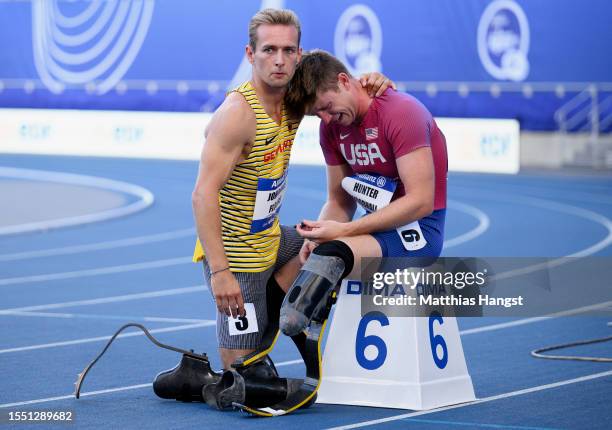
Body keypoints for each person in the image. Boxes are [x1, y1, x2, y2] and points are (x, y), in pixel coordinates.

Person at [152, 10, 394, 406]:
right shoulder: (236, 117)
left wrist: (374, 80)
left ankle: (266, 314)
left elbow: (337, 82)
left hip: (271, 237)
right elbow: (201, 195)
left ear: (298, 55)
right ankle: (198, 377)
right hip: (237, 255)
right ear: (251, 54)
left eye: (287, 50)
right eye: (269, 50)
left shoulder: (296, 99)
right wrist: (220, 273)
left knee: (323, 248)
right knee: (244, 382)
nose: (278, 59)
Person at [283, 48, 448, 288]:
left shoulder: (401, 112)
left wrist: (345, 230)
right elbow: (339, 201)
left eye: (327, 107)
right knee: (292, 264)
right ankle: (271, 325)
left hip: (418, 232)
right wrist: (318, 234)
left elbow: (421, 202)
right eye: (317, 115)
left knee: (328, 259)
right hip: (372, 227)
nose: (326, 119)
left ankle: (296, 324)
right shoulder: (331, 128)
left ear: (343, 81)